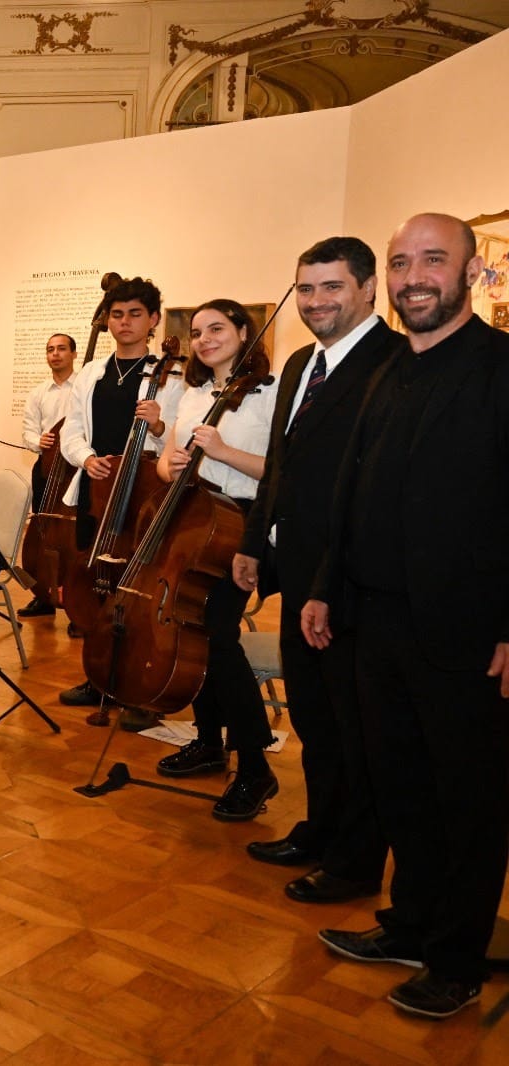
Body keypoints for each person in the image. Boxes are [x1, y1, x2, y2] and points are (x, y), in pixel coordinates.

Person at [308, 213, 509, 1021]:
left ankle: (456, 961)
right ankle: (413, 924)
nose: (413, 276)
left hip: (467, 633)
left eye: (433, 260)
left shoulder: (500, 367)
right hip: (374, 622)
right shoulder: (390, 369)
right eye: (400, 263)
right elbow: (351, 491)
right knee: (400, 787)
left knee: (468, 801)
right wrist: (324, 584)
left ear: (471, 271)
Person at [232, 237, 396, 903]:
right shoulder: (302, 363)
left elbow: (371, 487)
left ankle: (355, 863)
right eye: (306, 289)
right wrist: (253, 540)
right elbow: (280, 464)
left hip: (348, 580)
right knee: (313, 717)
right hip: (295, 568)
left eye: (332, 288)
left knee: (355, 725)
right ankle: (320, 830)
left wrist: (329, 581)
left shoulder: (390, 363)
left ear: (367, 290)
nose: (317, 301)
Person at [144, 299, 279, 819]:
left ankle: (254, 766)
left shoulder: (268, 396)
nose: (203, 339)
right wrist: (168, 466)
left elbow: (279, 470)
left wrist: (223, 452)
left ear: (244, 332)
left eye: (216, 328)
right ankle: (209, 741)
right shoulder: (195, 394)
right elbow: (164, 464)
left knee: (217, 635)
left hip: (241, 525)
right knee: (192, 629)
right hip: (195, 518)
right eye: (198, 331)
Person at [56, 277, 184, 719]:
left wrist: (161, 426)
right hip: (98, 490)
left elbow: (179, 437)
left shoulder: (171, 375)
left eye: (134, 314)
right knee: (99, 588)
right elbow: (72, 429)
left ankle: (140, 687)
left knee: (139, 592)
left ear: (152, 320)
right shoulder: (91, 372)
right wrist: (87, 459)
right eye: (117, 314)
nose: (124, 322)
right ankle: (99, 678)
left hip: (144, 493)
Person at [17, 332, 77, 616]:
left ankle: (77, 599)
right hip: (45, 467)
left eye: (62, 349)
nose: (55, 354)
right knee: (43, 527)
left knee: (76, 532)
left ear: (73, 354)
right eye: (50, 349)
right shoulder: (38, 392)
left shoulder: (83, 388)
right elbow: (28, 429)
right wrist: (37, 440)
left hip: (75, 469)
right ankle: (43, 594)